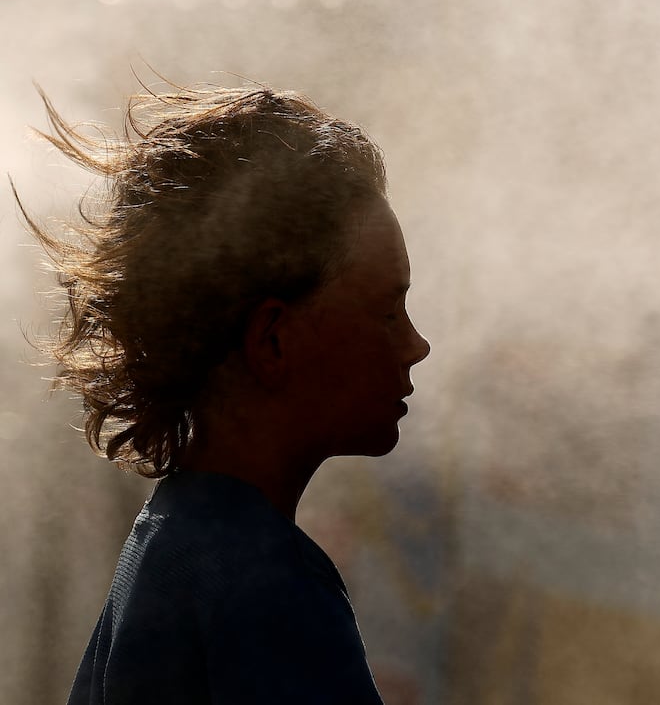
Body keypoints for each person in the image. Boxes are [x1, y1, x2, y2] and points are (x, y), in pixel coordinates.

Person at [20, 85, 430, 704]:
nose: (416, 345)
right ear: (272, 341)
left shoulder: (169, 540)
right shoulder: (264, 584)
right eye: (388, 310)